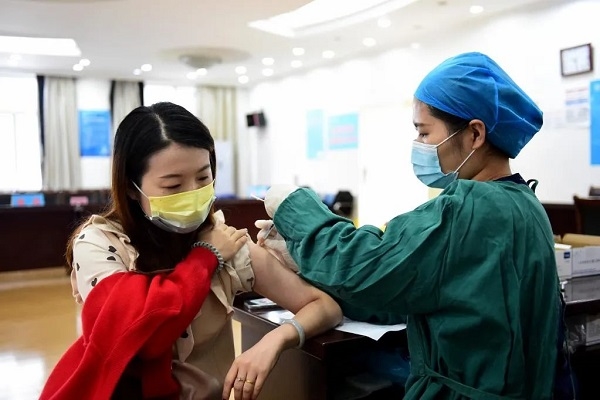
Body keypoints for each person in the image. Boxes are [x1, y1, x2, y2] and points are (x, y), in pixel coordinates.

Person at [257, 52, 571, 399]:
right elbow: (406, 284)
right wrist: (307, 263)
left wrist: (292, 204)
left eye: (424, 133)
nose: (419, 146)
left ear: (475, 134)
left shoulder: (472, 208)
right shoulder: (523, 203)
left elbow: (364, 263)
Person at [40, 102, 342, 400]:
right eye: (173, 186)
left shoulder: (227, 242)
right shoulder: (101, 245)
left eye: (203, 177)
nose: (193, 193)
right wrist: (205, 255)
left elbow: (323, 306)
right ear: (132, 187)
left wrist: (275, 340)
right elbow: (142, 333)